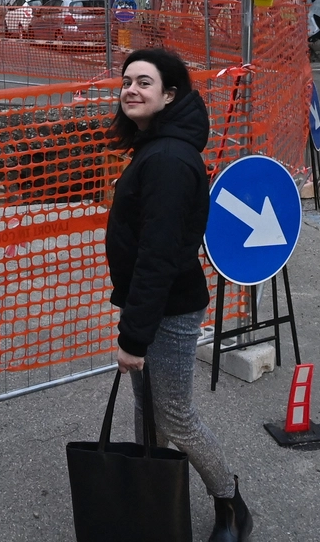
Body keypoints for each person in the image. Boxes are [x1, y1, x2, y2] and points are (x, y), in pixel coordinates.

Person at [104, 48, 253, 542]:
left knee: (174, 417)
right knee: (148, 414)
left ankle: (231, 505)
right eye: (127, 80)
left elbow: (159, 255)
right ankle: (155, 504)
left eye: (144, 82)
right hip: (151, 306)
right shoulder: (156, 145)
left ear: (170, 95)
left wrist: (134, 337)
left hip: (167, 310)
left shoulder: (168, 158)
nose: (131, 89)